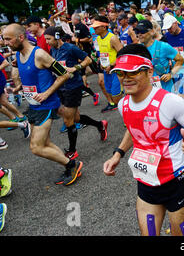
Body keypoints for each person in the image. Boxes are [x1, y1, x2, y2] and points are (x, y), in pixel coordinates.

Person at [103, 44, 184, 236]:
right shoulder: (123, 104)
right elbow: (134, 129)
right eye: (120, 73)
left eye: (133, 72)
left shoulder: (170, 102)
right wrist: (118, 154)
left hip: (175, 182)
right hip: (146, 183)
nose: (126, 79)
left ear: (149, 71)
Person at [2, 23, 83, 186]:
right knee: (45, 143)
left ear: (21, 37)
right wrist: (19, 88)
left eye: (8, 39)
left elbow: (64, 74)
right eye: (4, 39)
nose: (5, 43)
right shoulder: (19, 54)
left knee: (36, 147)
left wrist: (47, 93)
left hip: (46, 105)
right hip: (34, 106)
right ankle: (69, 165)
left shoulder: (39, 54)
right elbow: (31, 78)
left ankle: (72, 165)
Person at [46, 26, 108, 160]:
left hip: (73, 87)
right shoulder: (52, 50)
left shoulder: (70, 48)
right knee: (76, 118)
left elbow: (88, 60)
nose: (47, 42)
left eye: (49, 39)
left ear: (57, 37)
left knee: (68, 120)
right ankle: (100, 125)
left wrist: (74, 68)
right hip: (61, 87)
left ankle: (72, 150)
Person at [135, 19, 184, 93]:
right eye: (137, 32)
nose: (139, 34)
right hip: (147, 91)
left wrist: (171, 74)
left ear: (151, 32)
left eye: (142, 31)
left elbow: (180, 60)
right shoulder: (137, 49)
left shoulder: (163, 46)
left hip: (165, 90)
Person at [92, 16, 124, 112]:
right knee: (112, 96)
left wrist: (112, 65)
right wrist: (100, 61)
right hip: (106, 71)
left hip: (116, 70)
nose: (94, 29)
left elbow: (122, 54)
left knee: (117, 97)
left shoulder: (112, 38)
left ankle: (128, 119)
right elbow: (101, 53)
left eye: (97, 27)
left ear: (104, 27)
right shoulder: (98, 39)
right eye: (94, 27)